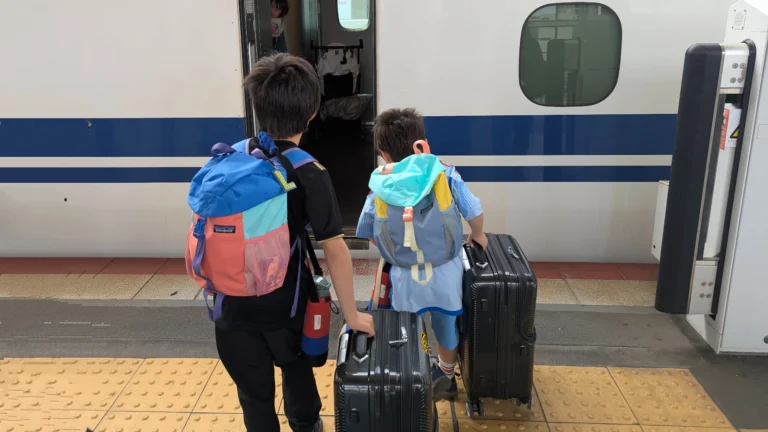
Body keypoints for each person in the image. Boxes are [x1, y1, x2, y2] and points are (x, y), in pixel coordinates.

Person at [215, 53, 374, 432]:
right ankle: (305, 424)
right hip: (285, 308)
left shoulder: (229, 159)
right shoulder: (308, 171)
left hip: (229, 310)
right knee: (297, 375)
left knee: (255, 401)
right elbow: (334, 249)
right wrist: (351, 315)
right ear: (312, 112)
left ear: (257, 107)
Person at [355, 108, 487, 401]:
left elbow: (368, 230)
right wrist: (478, 235)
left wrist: (396, 250)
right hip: (445, 271)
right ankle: (447, 376)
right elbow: (473, 210)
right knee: (445, 322)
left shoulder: (379, 185)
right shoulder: (444, 172)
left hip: (405, 276)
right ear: (422, 142)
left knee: (410, 327)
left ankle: (415, 375)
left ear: (383, 153)